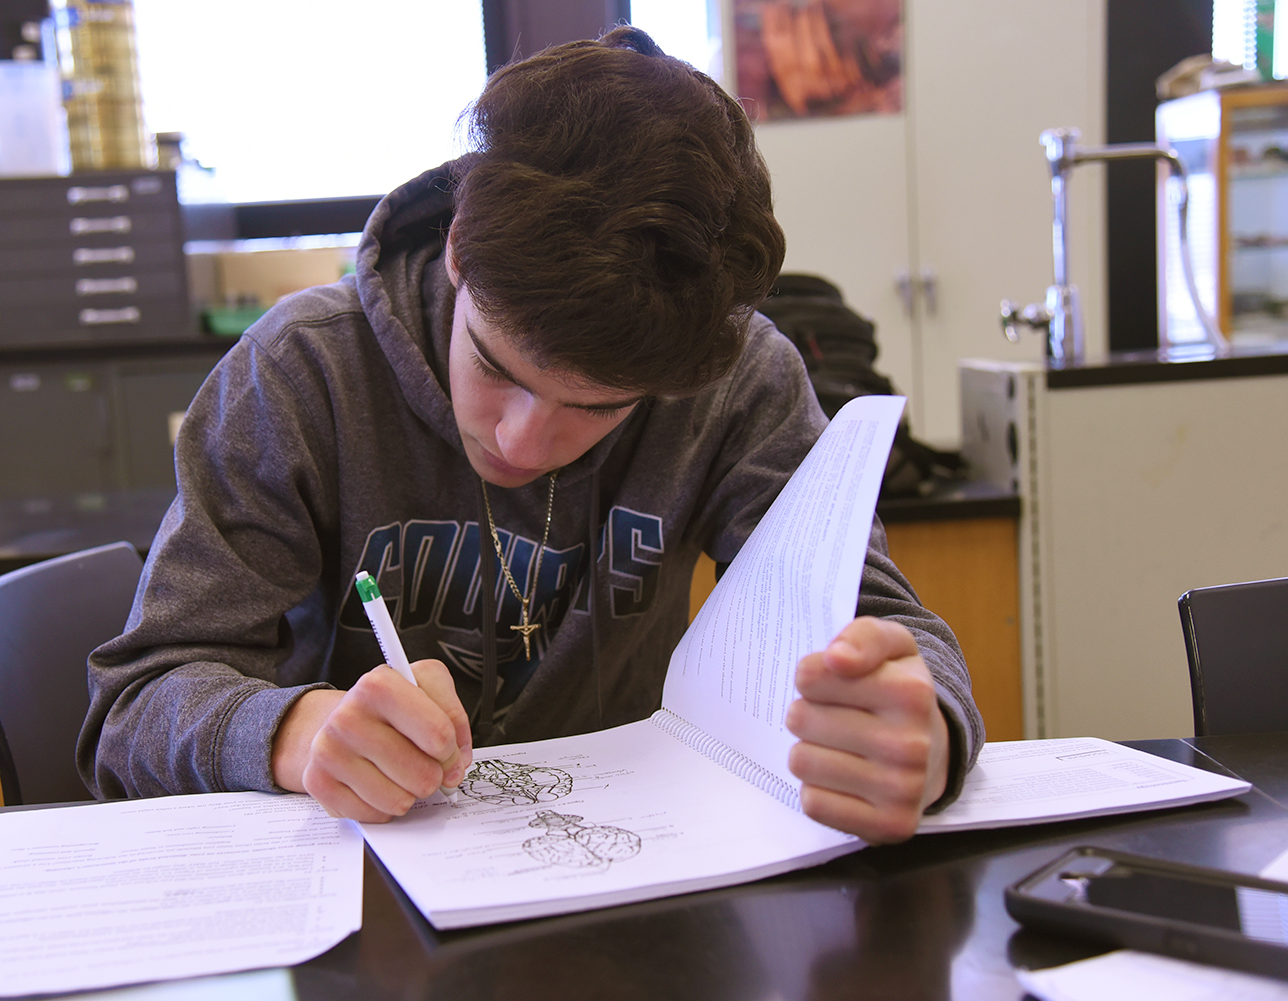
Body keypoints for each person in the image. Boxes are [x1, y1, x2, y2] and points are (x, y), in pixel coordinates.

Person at [79, 26, 984, 845]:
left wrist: (923, 729)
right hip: (366, 900)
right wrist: (300, 730)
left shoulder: (735, 378)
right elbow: (140, 700)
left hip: (630, 880)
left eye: (596, 407)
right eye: (499, 369)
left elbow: (886, 626)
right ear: (461, 246)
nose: (522, 439)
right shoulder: (301, 372)